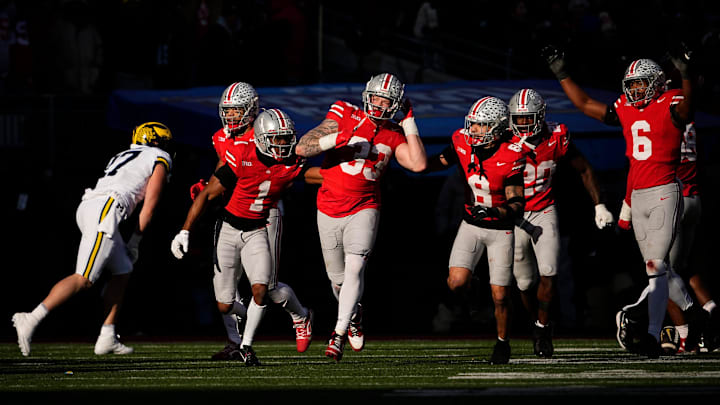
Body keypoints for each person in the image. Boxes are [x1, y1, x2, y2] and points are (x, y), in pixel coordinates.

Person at [543, 43, 694, 357]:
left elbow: (689, 106)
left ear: (657, 83)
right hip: (637, 196)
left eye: (641, 83)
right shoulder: (626, 107)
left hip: (665, 190)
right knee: (658, 270)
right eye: (632, 84)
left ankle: (654, 334)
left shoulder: (671, 102)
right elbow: (584, 104)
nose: (636, 89)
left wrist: (687, 73)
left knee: (657, 267)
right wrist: (562, 75)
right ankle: (693, 322)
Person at [294, 73, 427, 361]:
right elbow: (303, 147)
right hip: (328, 206)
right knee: (338, 281)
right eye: (376, 97)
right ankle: (354, 315)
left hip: (365, 206)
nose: (378, 104)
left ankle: (338, 334)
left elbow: (418, 164)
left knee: (355, 269)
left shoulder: (394, 133)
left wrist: (409, 122)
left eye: (386, 101)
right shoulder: (344, 111)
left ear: (396, 105)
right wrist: (336, 139)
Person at [12, 122, 174, 356]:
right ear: (153, 141)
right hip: (106, 210)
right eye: (163, 142)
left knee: (123, 270)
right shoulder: (158, 156)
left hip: (92, 205)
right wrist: (135, 241)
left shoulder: (125, 154)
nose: (166, 147)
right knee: (85, 278)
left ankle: (107, 336)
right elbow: (149, 206)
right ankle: (31, 317)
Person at [172, 108, 306, 366]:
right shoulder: (239, 152)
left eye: (284, 138)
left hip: (258, 227)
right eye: (277, 139)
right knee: (225, 304)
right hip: (229, 227)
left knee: (262, 289)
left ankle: (246, 346)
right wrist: (185, 229)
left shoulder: (291, 161)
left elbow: (311, 174)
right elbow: (209, 192)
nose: (283, 145)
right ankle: (242, 330)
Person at [507, 88, 614, 358]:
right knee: (523, 282)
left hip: (544, 209)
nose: (522, 125)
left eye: (528, 118)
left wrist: (598, 204)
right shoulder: (502, 138)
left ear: (540, 116)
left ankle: (543, 329)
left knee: (550, 271)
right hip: (514, 214)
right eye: (517, 119)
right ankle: (536, 321)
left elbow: (584, 169)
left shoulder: (557, 136)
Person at [424, 96, 527, 364]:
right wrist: (417, 165)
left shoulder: (511, 154)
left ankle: (502, 342)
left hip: (500, 229)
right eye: (474, 125)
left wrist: (495, 211)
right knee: (456, 283)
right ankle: (475, 290)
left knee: (501, 295)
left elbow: (517, 204)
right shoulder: (461, 142)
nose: (474, 131)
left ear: (497, 127)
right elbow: (438, 161)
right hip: (470, 224)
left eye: (481, 126)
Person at [617, 122, 718, 354]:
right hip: (694, 197)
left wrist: (629, 204)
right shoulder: (690, 121)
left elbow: (641, 161)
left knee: (662, 270)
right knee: (679, 270)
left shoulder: (662, 118)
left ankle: (636, 315)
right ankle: (699, 322)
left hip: (670, 196)